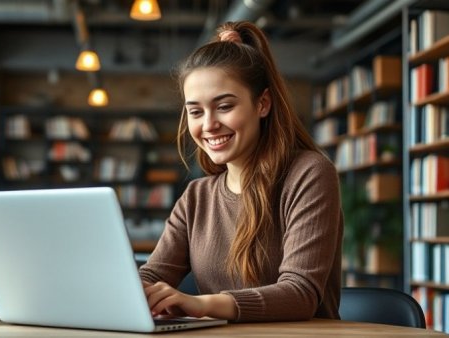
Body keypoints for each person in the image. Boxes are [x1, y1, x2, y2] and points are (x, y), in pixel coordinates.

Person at [138, 21, 344, 323]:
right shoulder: (197, 195)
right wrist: (132, 291)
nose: (208, 125)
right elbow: (154, 274)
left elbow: (300, 294)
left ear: (262, 104)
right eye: (195, 111)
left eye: (224, 106)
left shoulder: (309, 174)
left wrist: (203, 305)